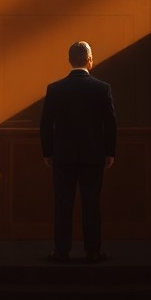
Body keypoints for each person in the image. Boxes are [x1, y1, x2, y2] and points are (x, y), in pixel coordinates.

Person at [40, 40, 117, 263]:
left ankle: (61, 251)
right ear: (89, 60)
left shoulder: (55, 89)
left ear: (69, 60)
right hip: (93, 155)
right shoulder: (102, 88)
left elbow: (46, 123)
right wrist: (110, 151)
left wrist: (47, 151)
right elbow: (110, 123)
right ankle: (93, 251)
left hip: (63, 155)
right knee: (92, 203)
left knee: (63, 203)